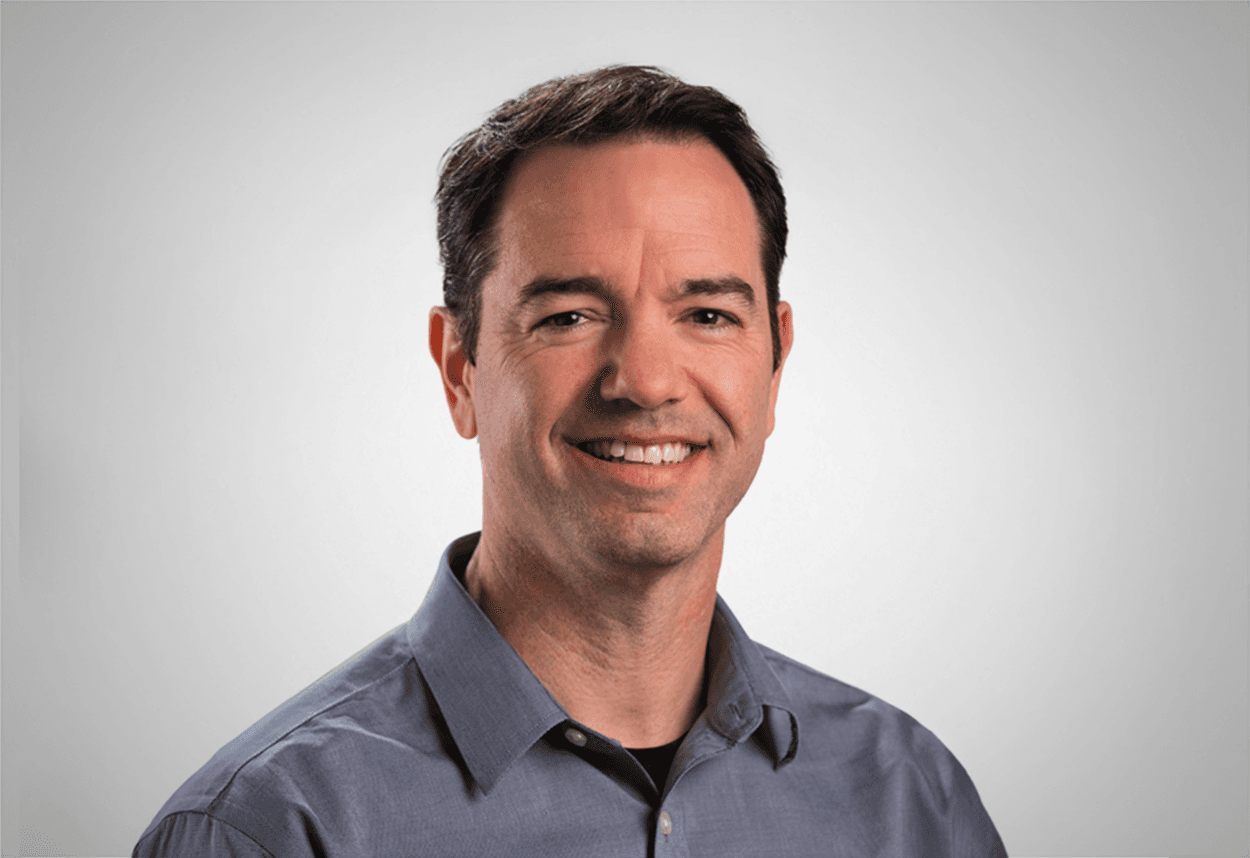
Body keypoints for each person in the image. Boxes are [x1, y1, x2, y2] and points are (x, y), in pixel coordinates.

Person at [133, 65, 1007, 857]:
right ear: (459, 370)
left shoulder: (910, 804)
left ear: (774, 363)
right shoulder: (271, 830)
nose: (645, 381)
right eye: (569, 317)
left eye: (706, 314)